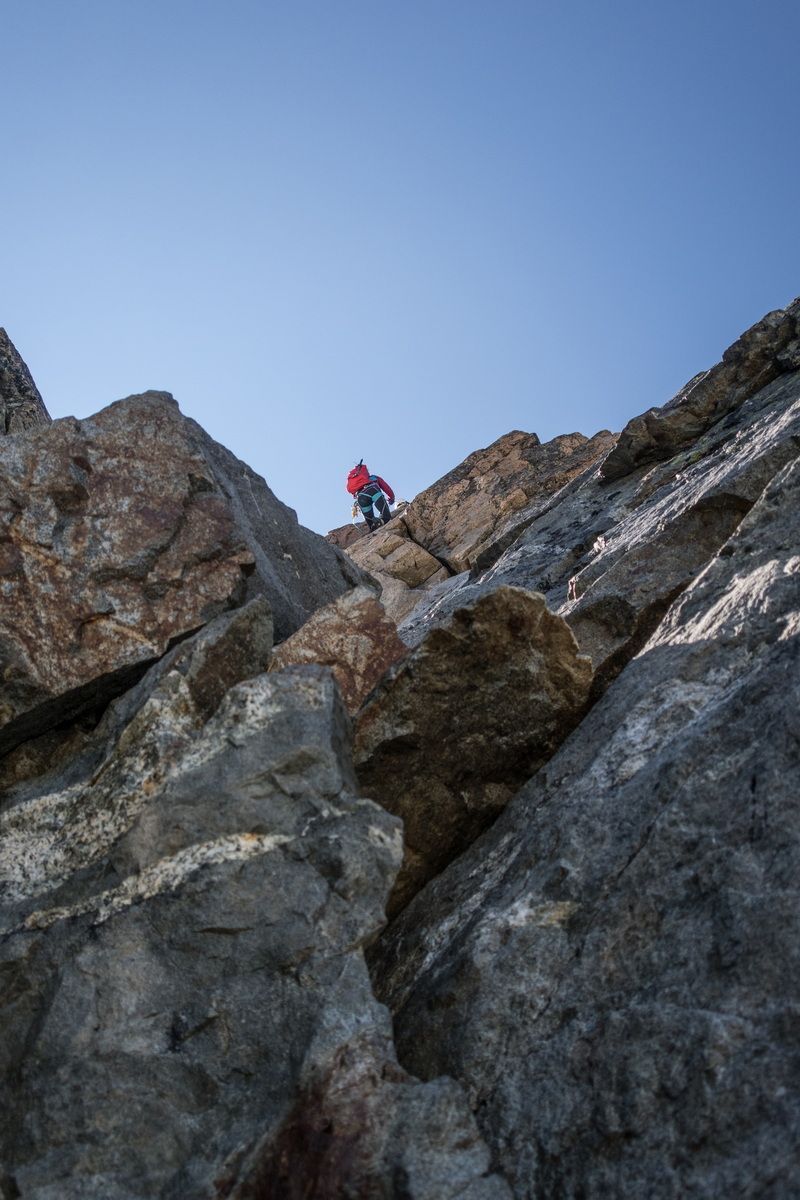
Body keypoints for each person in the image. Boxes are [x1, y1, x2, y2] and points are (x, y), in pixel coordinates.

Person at [346, 460, 395, 531]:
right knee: (386, 517)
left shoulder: (355, 482)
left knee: (372, 525)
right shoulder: (374, 478)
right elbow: (386, 487)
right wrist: (392, 498)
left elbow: (353, 494)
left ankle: (373, 525)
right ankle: (381, 521)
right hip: (372, 490)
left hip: (361, 497)